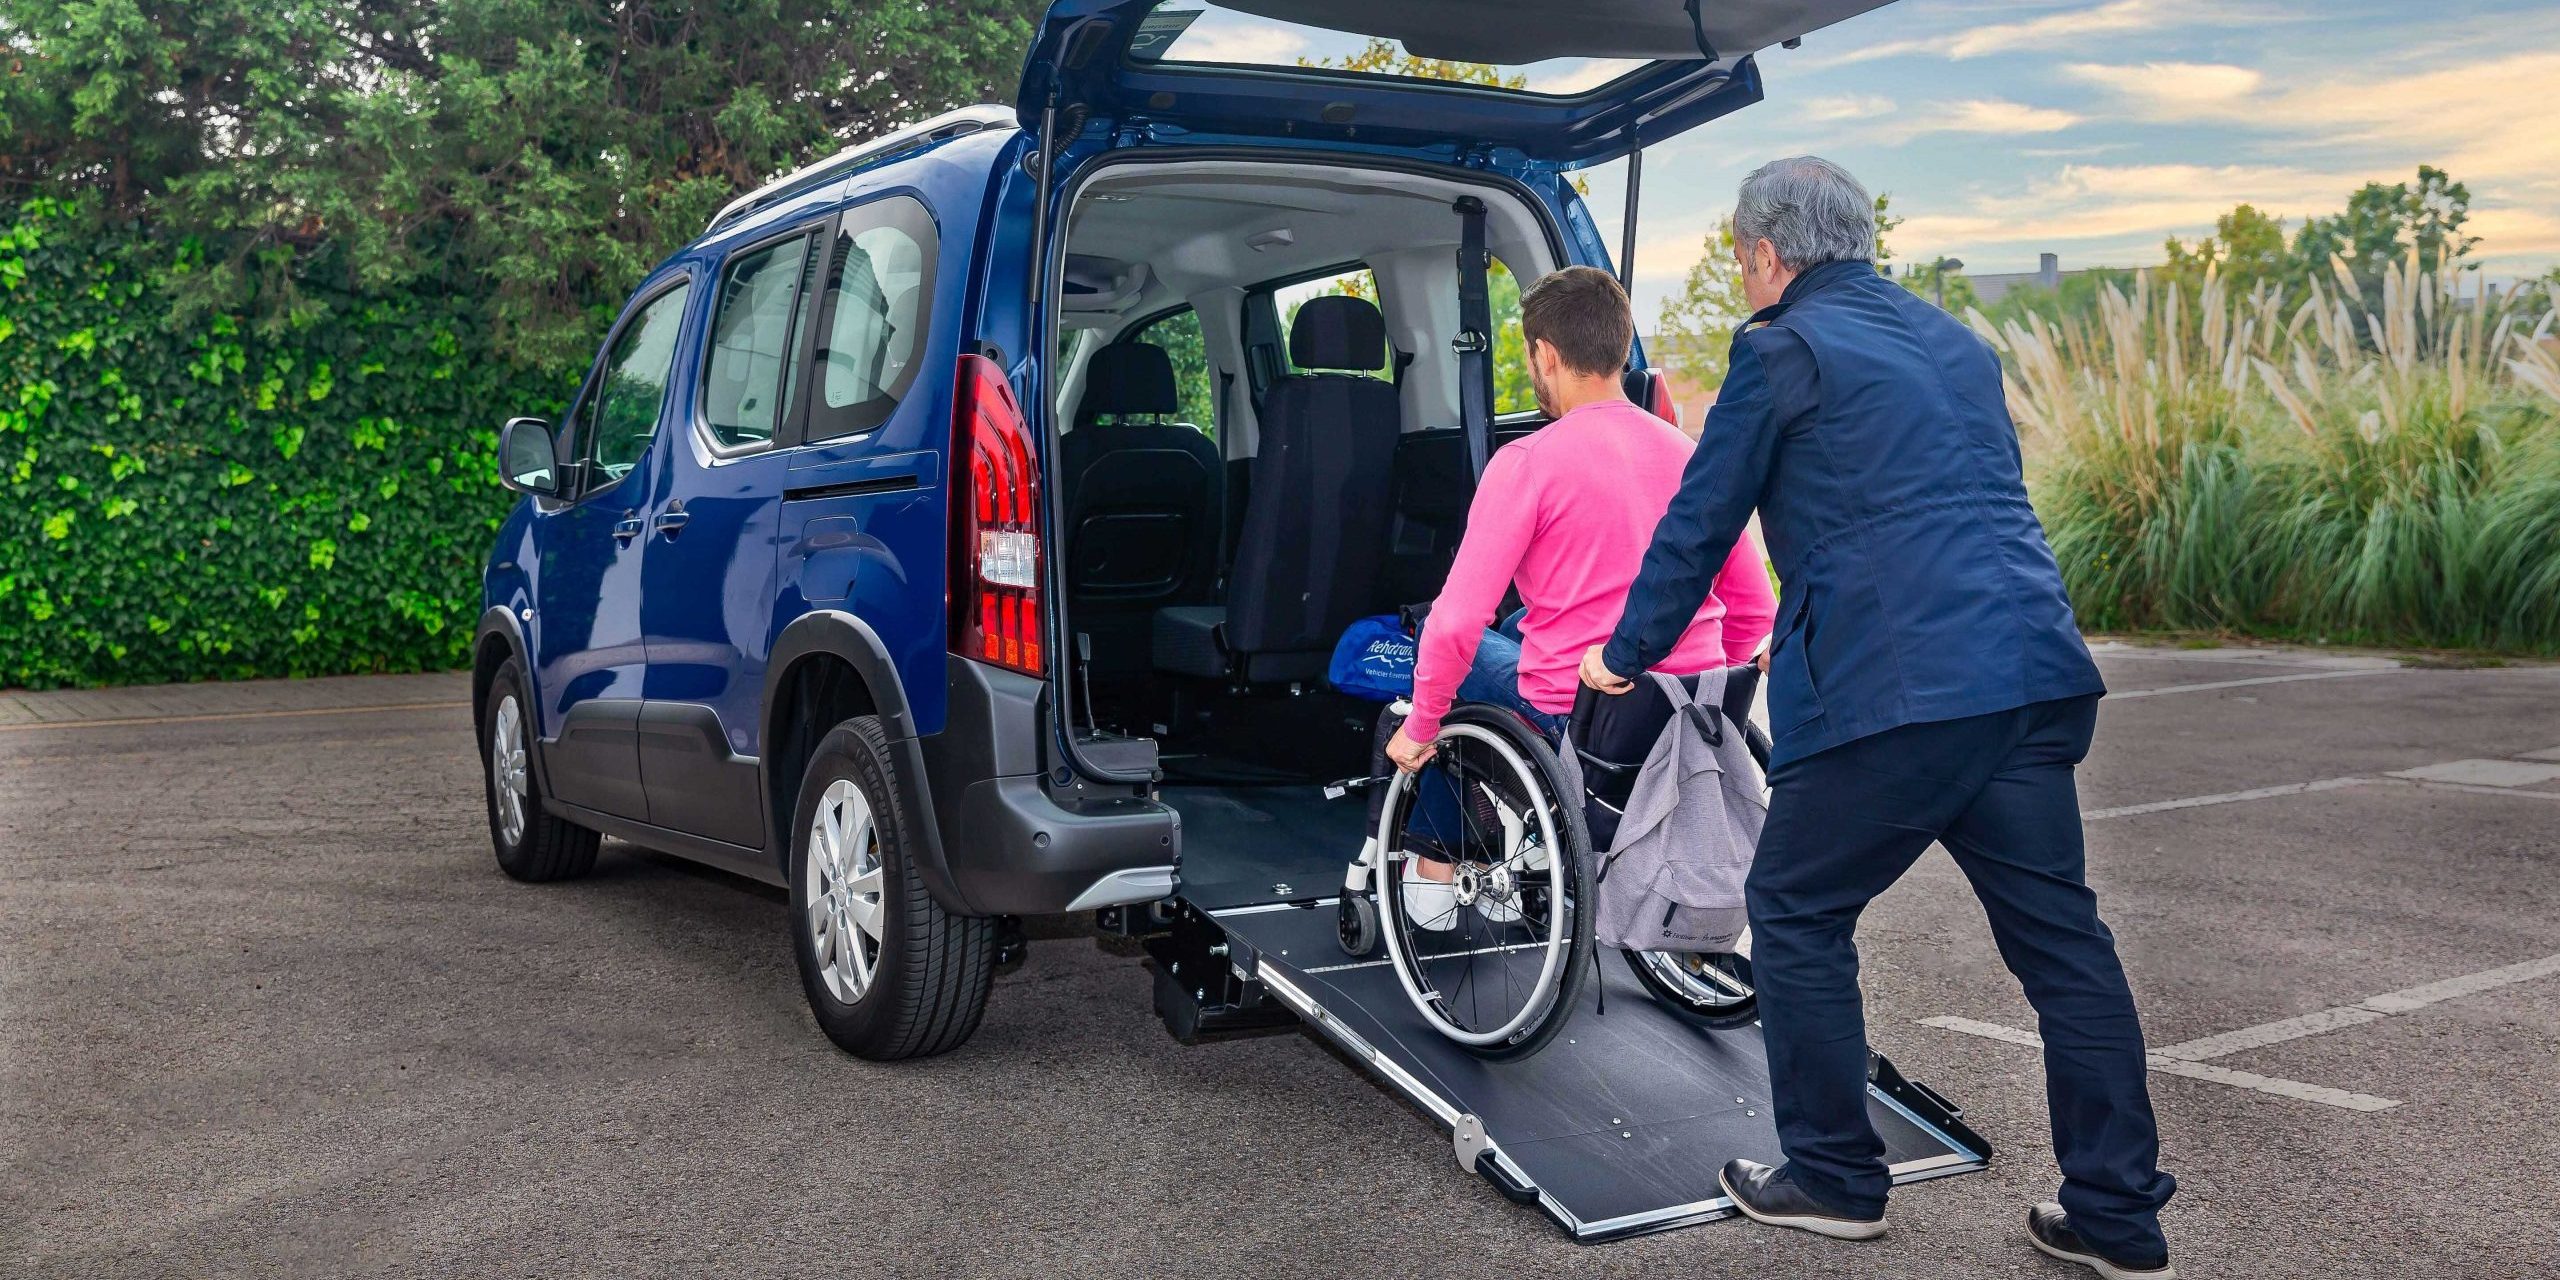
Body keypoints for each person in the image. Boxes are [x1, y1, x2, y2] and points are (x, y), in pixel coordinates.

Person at [1579, 157, 2178, 1280]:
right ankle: (2116, 1214)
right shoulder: (1956, 343)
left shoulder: (1779, 349)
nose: (1743, 276)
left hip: (1896, 692)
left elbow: (1702, 520)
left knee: (1794, 906)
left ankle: (1833, 1178)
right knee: (2064, 948)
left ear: (1766, 254)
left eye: (1742, 259)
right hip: (2027, 670)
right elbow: (1955, 504)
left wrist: (1623, 654)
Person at [1383, 265, 1775, 929]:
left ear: (1545, 354)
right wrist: (1704, 693)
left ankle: (1435, 867)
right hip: (1685, 716)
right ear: (1620, 347)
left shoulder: (1527, 463)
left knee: (1438, 643)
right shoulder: (1690, 456)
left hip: (1582, 723)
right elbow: (1754, 610)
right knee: (1512, 626)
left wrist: (1419, 728)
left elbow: (1456, 625)